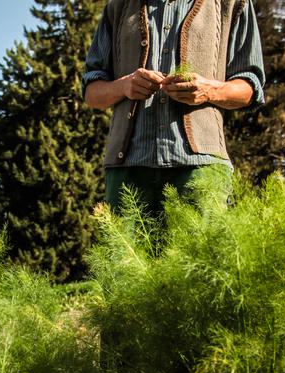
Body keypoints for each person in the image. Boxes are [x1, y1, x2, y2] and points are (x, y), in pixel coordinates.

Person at [83, 0, 265, 213]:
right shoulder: (118, 7)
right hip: (128, 169)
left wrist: (208, 90)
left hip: (200, 169)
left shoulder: (231, 3)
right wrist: (123, 86)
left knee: (202, 247)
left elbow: (250, 88)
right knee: (121, 247)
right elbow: (91, 92)